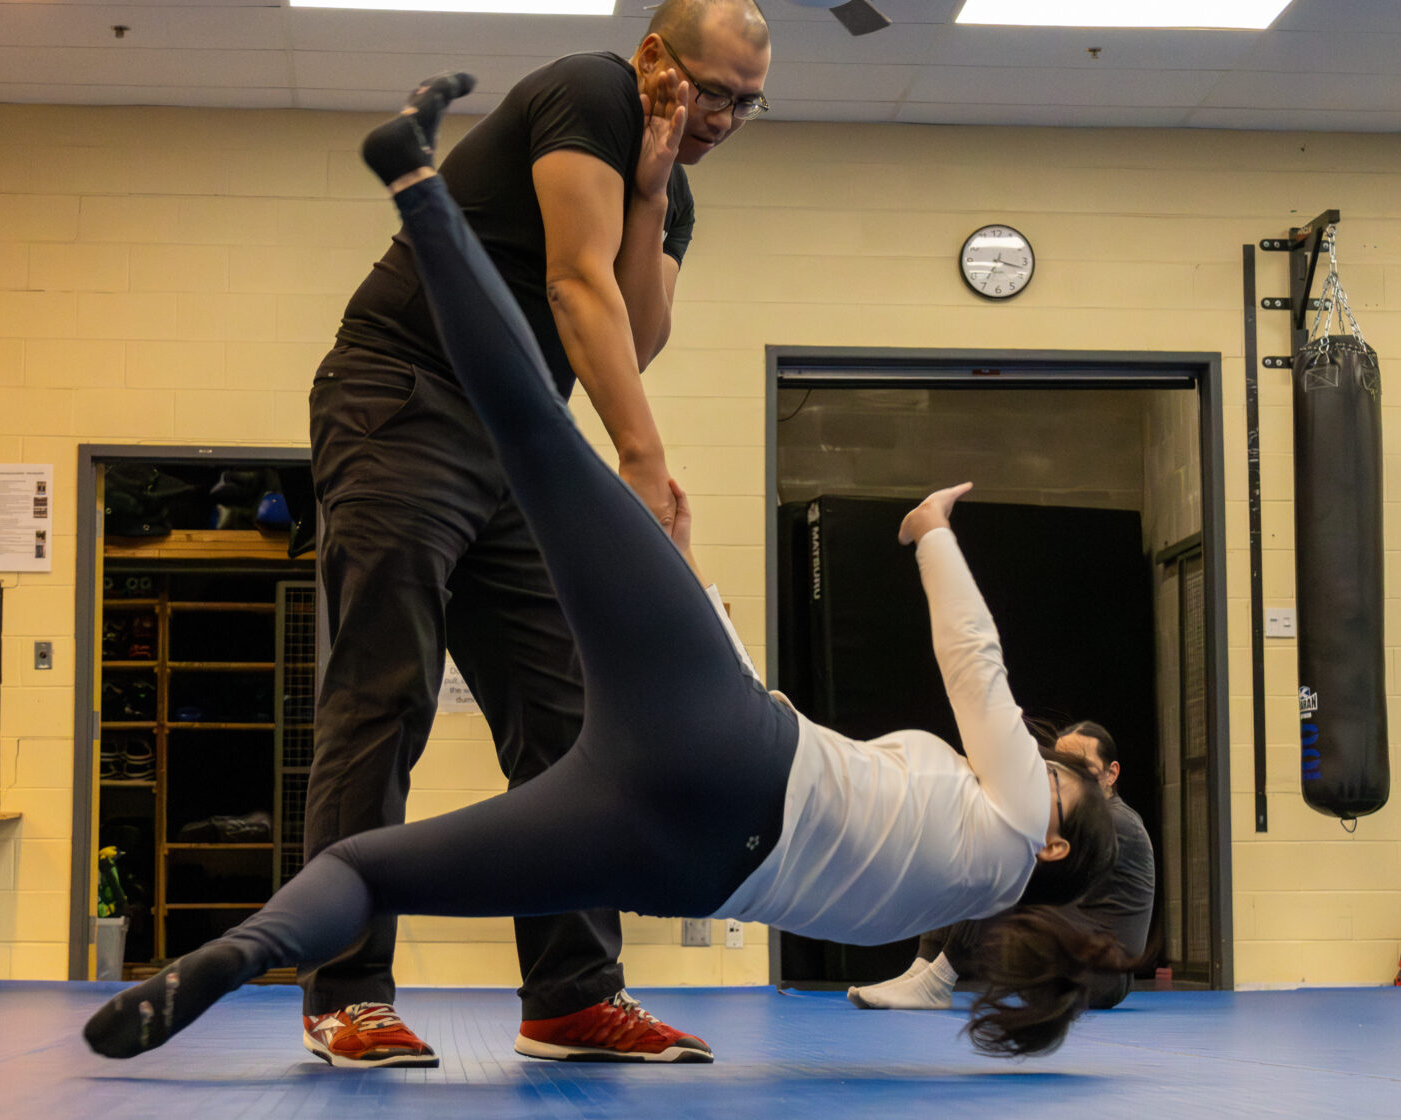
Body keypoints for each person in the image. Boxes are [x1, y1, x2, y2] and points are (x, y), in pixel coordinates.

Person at [84, 76, 1134, 1071]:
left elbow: (970, 658)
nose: (1048, 752)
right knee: (369, 866)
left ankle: (415, 183)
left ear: (1049, 839)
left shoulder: (1005, 813)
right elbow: (819, 794)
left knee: (537, 433)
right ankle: (231, 958)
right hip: (672, 851)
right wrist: (686, 610)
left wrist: (931, 532)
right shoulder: (934, 915)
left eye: (1064, 776)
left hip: (724, 743)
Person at [299, 0, 771, 1067]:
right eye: (711, 91)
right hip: (403, 393)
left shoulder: (674, 189)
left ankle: (571, 995)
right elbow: (572, 287)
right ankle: (348, 988)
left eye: (749, 104)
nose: (724, 120)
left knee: (571, 716)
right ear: (655, 57)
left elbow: (637, 335)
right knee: (386, 691)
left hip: (511, 436)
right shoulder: (587, 89)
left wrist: (654, 194)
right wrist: (642, 459)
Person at [847, 720, 1157, 1013]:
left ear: (1111, 773)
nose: (1071, 775)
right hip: (1072, 953)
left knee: (1000, 875)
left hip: (1100, 975)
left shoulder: (1115, 823)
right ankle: (922, 970)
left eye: (1082, 766)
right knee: (974, 866)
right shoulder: (1077, 818)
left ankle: (936, 981)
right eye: (1063, 766)